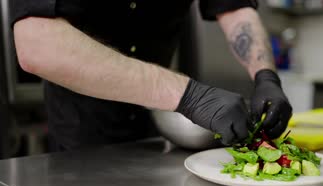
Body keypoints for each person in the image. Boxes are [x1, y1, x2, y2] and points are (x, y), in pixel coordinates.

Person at [11, 0, 292, 151]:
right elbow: (37, 43)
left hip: (156, 132)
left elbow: (235, 8)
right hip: (80, 137)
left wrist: (265, 76)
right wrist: (191, 95)